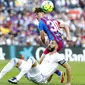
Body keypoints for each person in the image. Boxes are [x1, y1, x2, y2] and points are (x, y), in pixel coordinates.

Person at [0, 41, 70, 85]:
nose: (49, 44)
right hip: (33, 74)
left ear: (57, 46)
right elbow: (47, 69)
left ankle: (17, 78)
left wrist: (68, 83)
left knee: (32, 59)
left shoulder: (58, 56)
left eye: (52, 43)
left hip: (40, 77)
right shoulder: (47, 55)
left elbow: (68, 67)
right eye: (49, 43)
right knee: (14, 60)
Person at [34, 8, 71, 85]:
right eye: (35, 14)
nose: (36, 16)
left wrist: (44, 42)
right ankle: (58, 74)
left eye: (37, 14)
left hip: (54, 43)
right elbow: (66, 26)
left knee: (41, 62)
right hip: (60, 42)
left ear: (43, 14)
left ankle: (54, 76)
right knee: (48, 62)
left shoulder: (41, 22)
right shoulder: (52, 20)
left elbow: (42, 36)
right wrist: (68, 36)